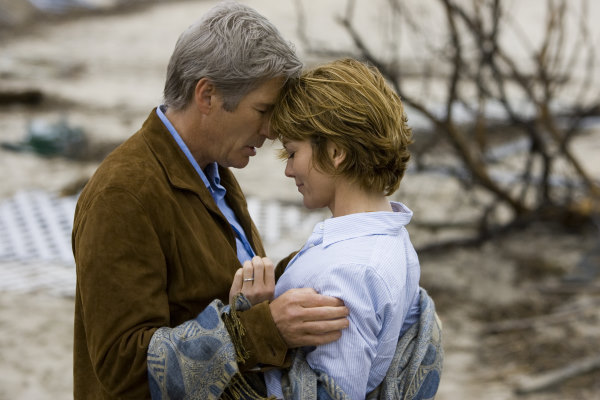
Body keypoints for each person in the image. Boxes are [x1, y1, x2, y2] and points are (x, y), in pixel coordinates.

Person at [71, 2, 349, 399]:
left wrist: (337, 256)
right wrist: (260, 329)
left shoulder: (215, 174)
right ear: (207, 95)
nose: (271, 130)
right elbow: (123, 367)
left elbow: (223, 291)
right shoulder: (122, 195)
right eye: (263, 110)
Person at [257, 58, 439, 399]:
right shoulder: (394, 239)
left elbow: (331, 392)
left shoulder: (348, 271)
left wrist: (254, 321)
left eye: (293, 152)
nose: (289, 171)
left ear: (336, 151)